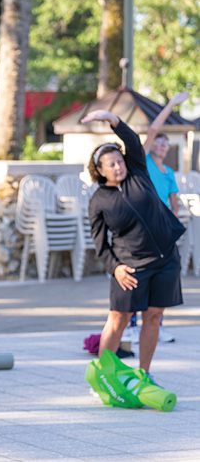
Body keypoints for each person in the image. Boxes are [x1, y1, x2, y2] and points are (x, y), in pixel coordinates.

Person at [85, 109, 185, 380]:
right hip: (130, 267)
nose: (118, 167)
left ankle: (144, 374)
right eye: (111, 164)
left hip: (166, 259)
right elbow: (100, 244)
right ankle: (103, 377)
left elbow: (131, 140)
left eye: (120, 161)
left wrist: (112, 119)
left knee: (153, 316)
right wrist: (115, 268)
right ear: (100, 171)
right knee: (119, 318)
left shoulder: (138, 172)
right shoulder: (98, 201)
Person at [123, 92, 189, 345]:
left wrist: (174, 223)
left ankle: (156, 324)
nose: (161, 146)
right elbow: (152, 130)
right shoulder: (144, 162)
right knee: (138, 275)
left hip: (163, 229)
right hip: (143, 227)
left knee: (162, 278)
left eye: (164, 144)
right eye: (158, 143)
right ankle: (131, 326)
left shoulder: (169, 171)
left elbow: (174, 201)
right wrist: (171, 104)